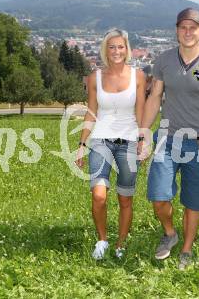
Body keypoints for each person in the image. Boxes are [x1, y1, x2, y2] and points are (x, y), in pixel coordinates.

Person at [139, 8, 199, 269]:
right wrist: (144, 134)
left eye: (194, 27)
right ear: (177, 31)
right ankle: (170, 234)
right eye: (183, 27)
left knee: (193, 201)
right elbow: (154, 97)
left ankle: (186, 250)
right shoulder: (164, 61)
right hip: (167, 140)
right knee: (159, 197)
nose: (188, 32)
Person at [76, 28, 146, 260]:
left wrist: (142, 141)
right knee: (99, 195)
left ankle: (120, 244)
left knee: (125, 198)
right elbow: (91, 112)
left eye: (121, 46)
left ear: (127, 49)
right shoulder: (94, 76)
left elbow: (141, 111)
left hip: (128, 141)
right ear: (106, 50)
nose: (116, 51)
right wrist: (82, 144)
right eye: (112, 47)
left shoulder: (138, 76)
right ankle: (103, 240)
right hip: (101, 140)